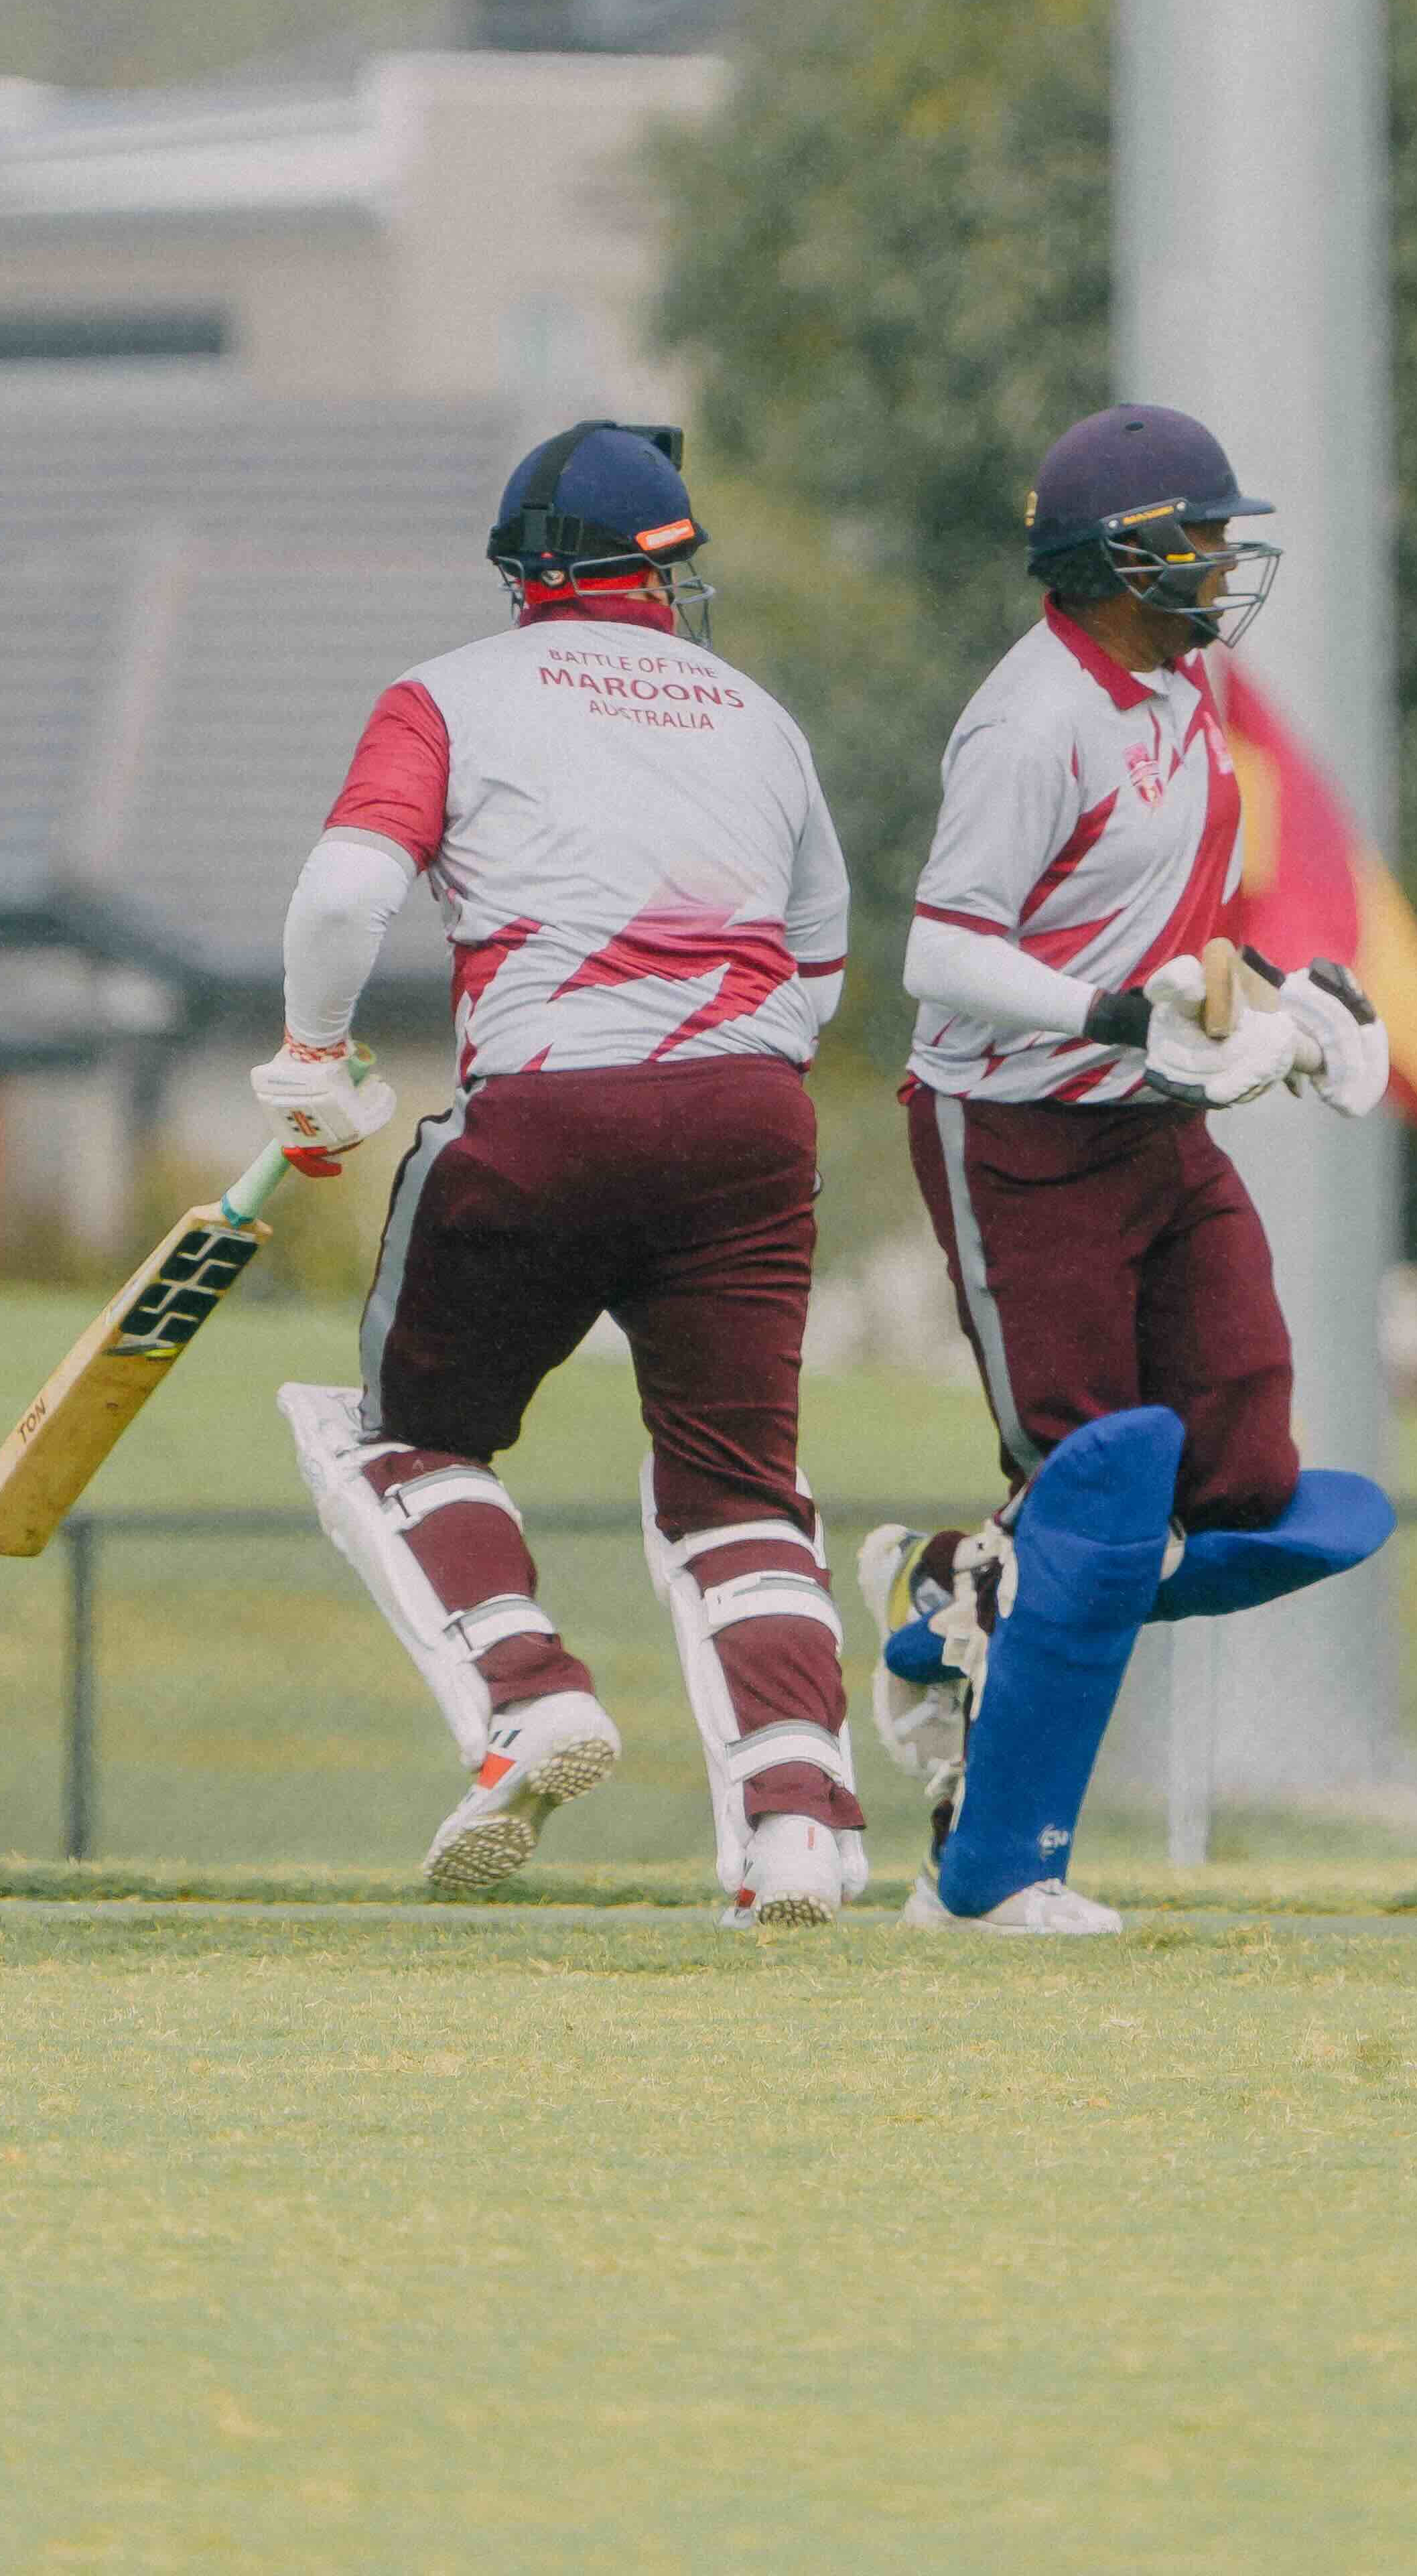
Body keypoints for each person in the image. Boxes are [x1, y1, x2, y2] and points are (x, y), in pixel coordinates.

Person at [265, 419, 868, 1930]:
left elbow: (345, 890)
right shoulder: (760, 717)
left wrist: (313, 1057)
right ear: (663, 573)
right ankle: (798, 1831)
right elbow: (819, 968)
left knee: (399, 1438)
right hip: (755, 1121)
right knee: (741, 1494)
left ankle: (527, 1696)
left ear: (522, 571)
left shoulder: (447, 693)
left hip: (546, 1114)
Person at [863, 402, 1396, 1938]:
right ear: (1119, 557)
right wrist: (1110, 1018)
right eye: (1202, 537)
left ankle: (960, 1590)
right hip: (1015, 1131)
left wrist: (1288, 1005)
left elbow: (1168, 929)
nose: (1226, 563)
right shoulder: (1030, 721)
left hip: (1154, 1122)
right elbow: (941, 950)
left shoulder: (1184, 684)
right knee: (1095, 1495)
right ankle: (992, 1878)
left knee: (1254, 1487)